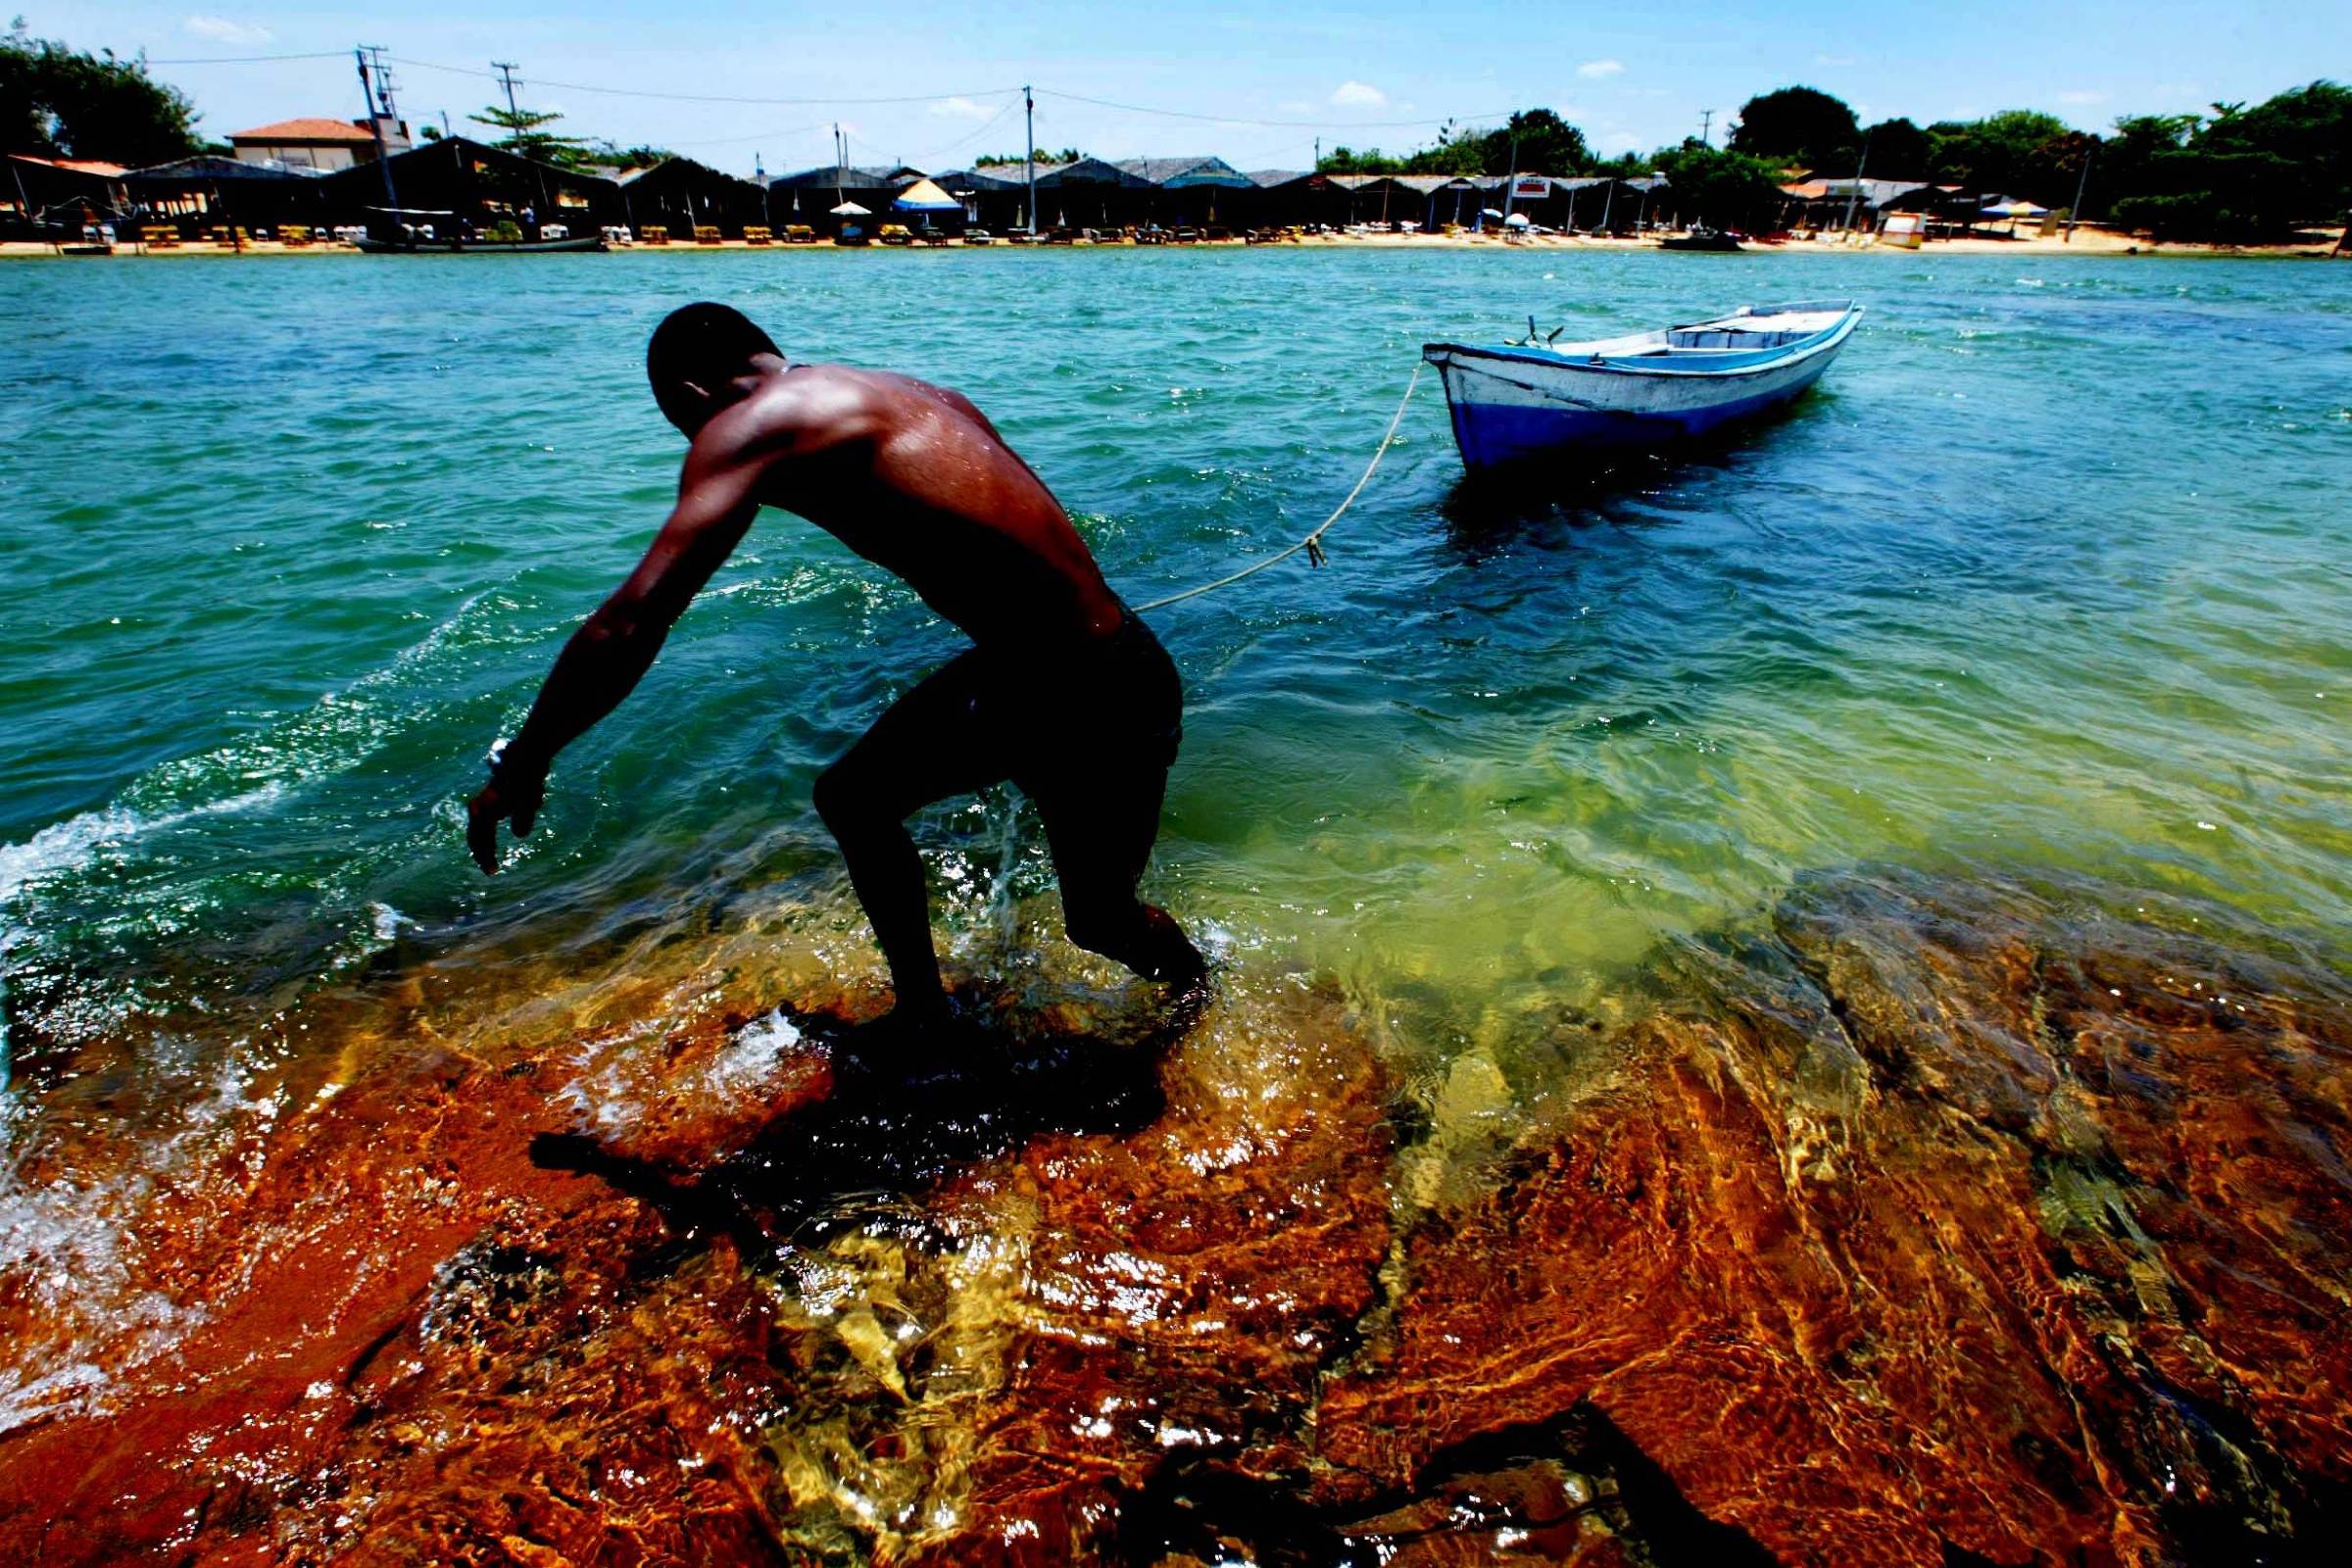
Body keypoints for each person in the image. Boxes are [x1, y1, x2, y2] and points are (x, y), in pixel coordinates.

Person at [466, 302, 1206, 1034]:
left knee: (857, 802)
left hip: (1058, 686)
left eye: (685, 427)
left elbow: (631, 620)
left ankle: (926, 1019)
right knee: (1101, 918)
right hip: (1123, 667)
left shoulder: (755, 421)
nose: (700, 445)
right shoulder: (915, 395)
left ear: (693, 396)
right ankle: (1202, 1006)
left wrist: (527, 759)